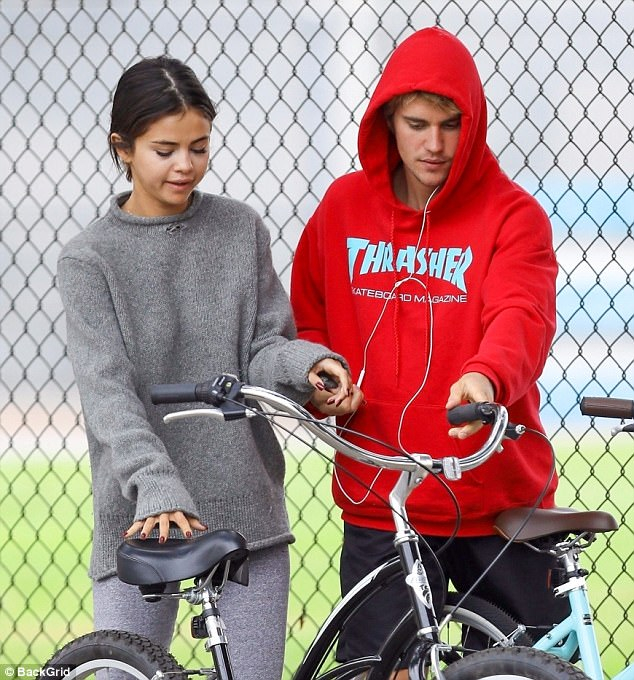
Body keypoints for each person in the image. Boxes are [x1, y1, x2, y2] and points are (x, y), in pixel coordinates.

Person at [57, 56, 362, 680]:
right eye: (164, 150)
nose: (185, 165)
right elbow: (108, 393)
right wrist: (156, 485)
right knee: (122, 670)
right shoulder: (89, 260)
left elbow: (262, 347)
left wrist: (307, 367)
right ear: (123, 148)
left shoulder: (240, 229)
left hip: (244, 504)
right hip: (141, 512)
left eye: (199, 148)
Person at [290, 27, 569, 673]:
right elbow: (307, 323)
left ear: (474, 123)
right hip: (382, 498)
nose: (435, 144)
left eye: (451, 125)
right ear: (388, 120)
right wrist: (319, 380)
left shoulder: (513, 214)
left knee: (523, 671)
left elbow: (522, 313)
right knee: (383, 670)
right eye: (417, 124)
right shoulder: (342, 208)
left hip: (498, 502)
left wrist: (486, 376)